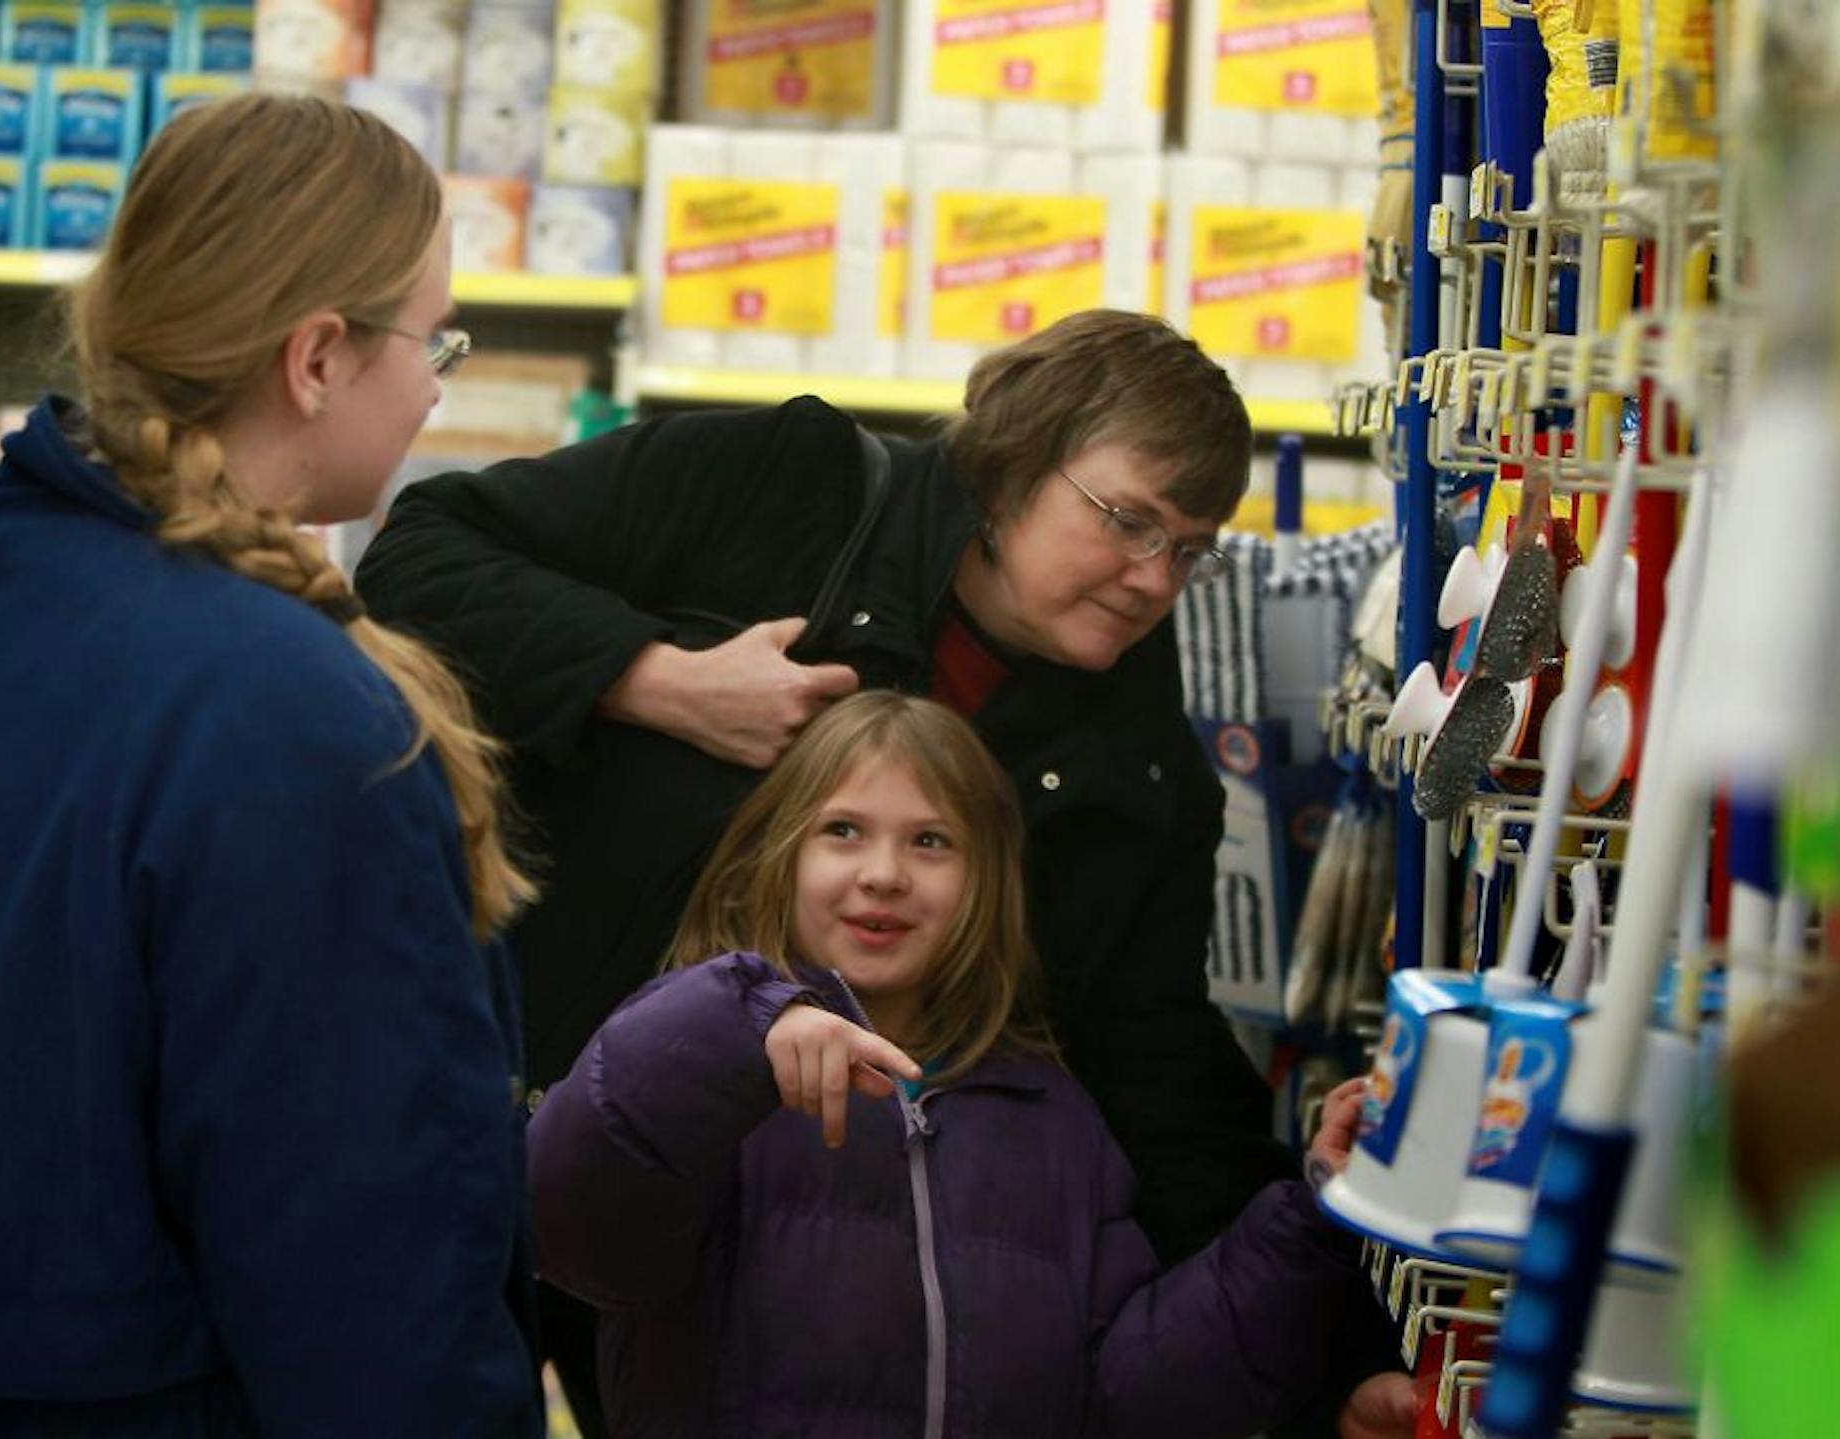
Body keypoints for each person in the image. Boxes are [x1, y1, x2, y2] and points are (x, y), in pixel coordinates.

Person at [355, 308, 1395, 1428]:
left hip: (821, 1250)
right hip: (525, 1126)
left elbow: (1156, 1071)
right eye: (1126, 521)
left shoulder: (1141, 765)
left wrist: (1324, 1355)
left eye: (1190, 548)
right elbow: (419, 557)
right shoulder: (791, 484)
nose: (1153, 578)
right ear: (1008, 470)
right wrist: (658, 678)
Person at [0, 95, 542, 1437]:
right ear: (319, 357)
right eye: (434, 335)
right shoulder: (312, 722)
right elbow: (363, 1269)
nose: (438, 378)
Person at [527, 691, 1412, 1437]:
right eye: (843, 830)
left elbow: (1130, 1392)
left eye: (930, 842)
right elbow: (575, 1224)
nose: (883, 874)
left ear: (986, 882)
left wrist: (1316, 1211)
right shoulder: (700, 1077)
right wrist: (737, 1022)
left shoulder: (1051, 1114)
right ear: (780, 856)